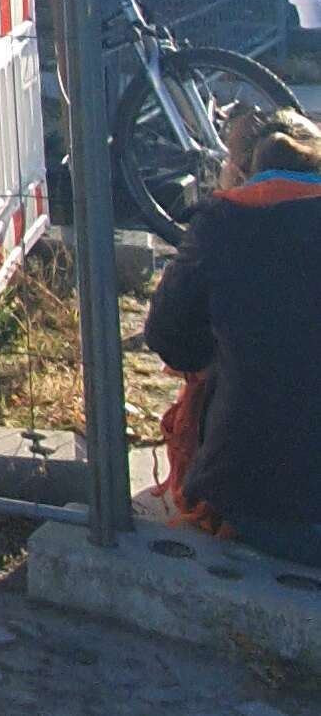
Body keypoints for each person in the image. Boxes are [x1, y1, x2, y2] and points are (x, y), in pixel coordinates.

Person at [144, 104, 321, 566]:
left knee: (217, 377)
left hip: (256, 507)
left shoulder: (225, 222)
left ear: (240, 171)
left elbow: (169, 337)